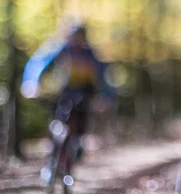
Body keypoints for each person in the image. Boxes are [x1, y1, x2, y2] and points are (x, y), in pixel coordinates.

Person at [21, 23, 116, 176]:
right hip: (64, 95)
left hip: (84, 95)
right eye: (73, 35)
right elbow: (39, 63)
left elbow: (105, 77)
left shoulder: (90, 55)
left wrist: (106, 97)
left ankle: (76, 150)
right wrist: (31, 82)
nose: (76, 39)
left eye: (79, 35)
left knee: (80, 128)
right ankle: (52, 161)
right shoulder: (59, 50)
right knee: (58, 124)